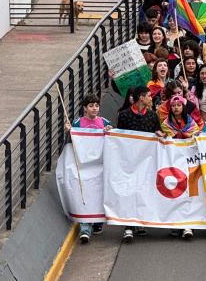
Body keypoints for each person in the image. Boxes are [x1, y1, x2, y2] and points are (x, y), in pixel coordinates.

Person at [116, 86, 165, 242]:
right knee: (130, 192)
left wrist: (159, 134)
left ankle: (141, 221)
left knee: (144, 191)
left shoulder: (152, 116)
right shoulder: (124, 115)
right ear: (141, 98)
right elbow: (120, 137)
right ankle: (129, 226)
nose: (151, 98)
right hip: (129, 163)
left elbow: (158, 132)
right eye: (149, 96)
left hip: (146, 163)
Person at [63, 93, 112, 243]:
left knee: (99, 193)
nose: (94, 108)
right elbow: (72, 142)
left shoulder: (105, 122)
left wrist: (110, 131)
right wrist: (69, 132)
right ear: (85, 108)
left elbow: (112, 144)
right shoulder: (77, 123)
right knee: (85, 194)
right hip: (84, 166)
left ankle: (98, 222)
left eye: (96, 105)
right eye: (91, 106)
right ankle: (85, 227)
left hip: (100, 165)